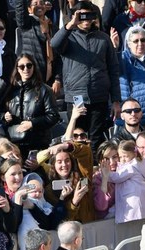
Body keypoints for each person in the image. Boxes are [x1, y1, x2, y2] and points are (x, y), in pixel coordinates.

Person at [52, 1, 122, 150]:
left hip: (99, 97)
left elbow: (114, 69)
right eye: (82, 16)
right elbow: (55, 44)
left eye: (89, 15)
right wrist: (70, 25)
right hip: (76, 97)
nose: (86, 20)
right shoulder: (68, 37)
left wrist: (116, 100)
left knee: (96, 139)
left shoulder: (103, 38)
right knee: (76, 137)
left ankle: (96, 169)